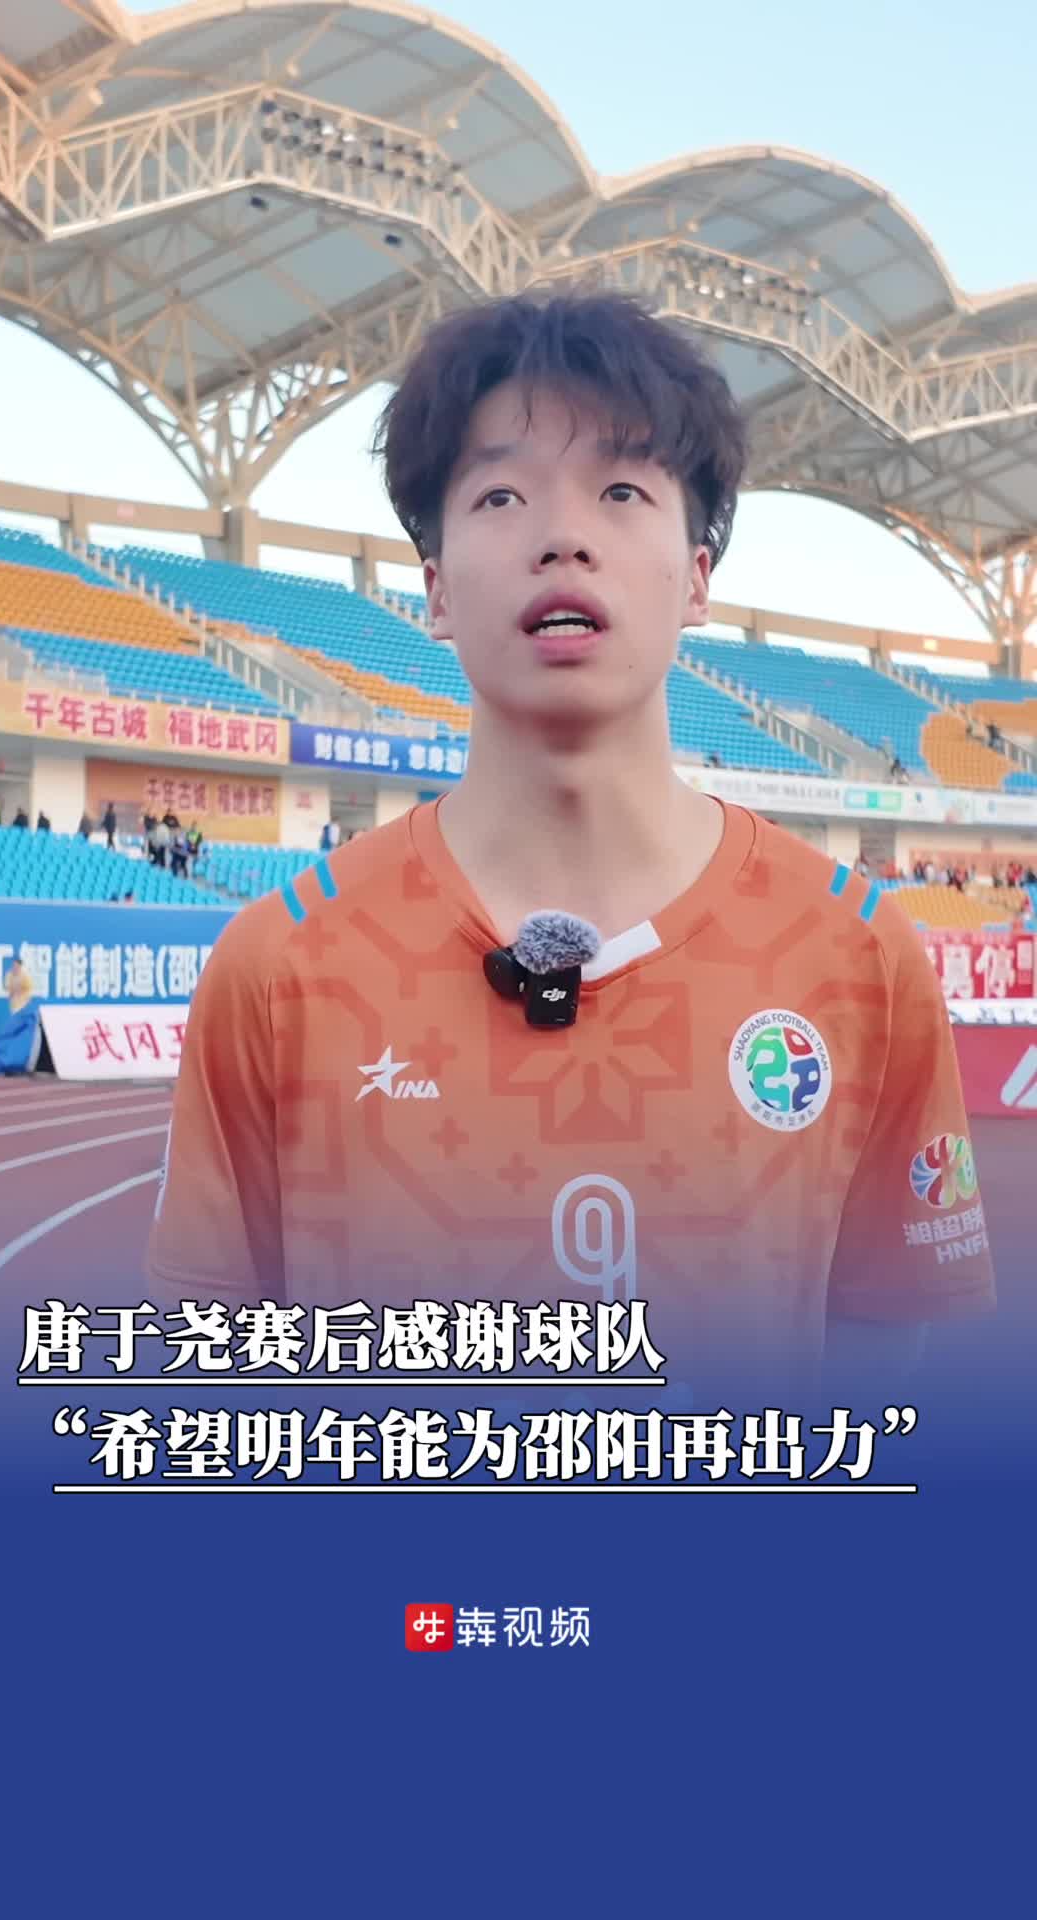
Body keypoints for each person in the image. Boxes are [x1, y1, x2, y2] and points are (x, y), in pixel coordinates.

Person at [148, 290, 993, 1404]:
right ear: (436, 590)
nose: (562, 534)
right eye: (500, 494)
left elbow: (888, 1369)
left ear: (697, 579)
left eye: (622, 490)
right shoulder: (280, 965)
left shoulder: (859, 953)